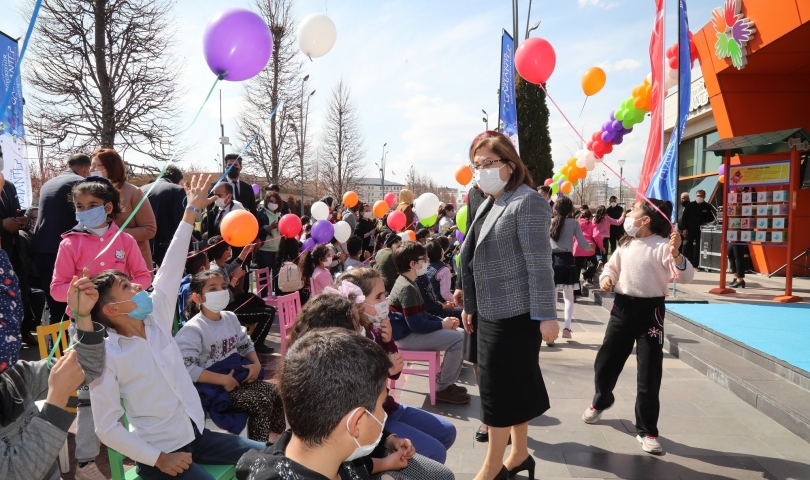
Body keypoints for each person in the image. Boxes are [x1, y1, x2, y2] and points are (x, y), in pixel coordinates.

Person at [86, 174, 266, 479]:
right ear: (113, 309)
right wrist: (157, 459)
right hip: (161, 452)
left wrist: (190, 214)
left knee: (269, 456)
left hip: (195, 434)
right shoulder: (108, 356)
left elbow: (170, 267)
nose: (139, 288)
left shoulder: (155, 317)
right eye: (127, 287)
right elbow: (106, 427)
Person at [457, 131, 557, 480]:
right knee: (511, 386)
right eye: (476, 164)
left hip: (516, 314)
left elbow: (539, 263)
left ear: (509, 165)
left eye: (488, 163)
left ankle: (491, 468)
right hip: (488, 309)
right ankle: (519, 454)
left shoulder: (527, 202)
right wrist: (468, 300)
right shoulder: (488, 200)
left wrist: (546, 316)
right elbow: (471, 256)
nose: (481, 170)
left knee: (498, 391)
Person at [50, 175, 152, 479]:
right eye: (80, 206)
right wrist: (77, 290)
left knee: (131, 386)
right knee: (90, 397)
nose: (84, 210)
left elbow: (144, 277)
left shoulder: (125, 240)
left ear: (108, 207)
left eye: (92, 205)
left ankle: (137, 448)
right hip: (85, 328)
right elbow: (56, 288)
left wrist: (127, 295)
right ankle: (85, 462)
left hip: (121, 325)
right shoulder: (70, 243)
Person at [584, 199, 694, 455]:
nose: (627, 214)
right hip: (622, 309)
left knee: (649, 374)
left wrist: (677, 254)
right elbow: (611, 267)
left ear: (645, 220)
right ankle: (601, 400)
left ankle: (647, 430)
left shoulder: (662, 247)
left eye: (633, 210)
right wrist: (607, 278)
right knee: (606, 361)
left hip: (651, 314)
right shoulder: (625, 244)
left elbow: (686, 276)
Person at [0, 248, 106, 480]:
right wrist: (56, 399)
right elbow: (14, 473)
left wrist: (82, 316)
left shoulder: (14, 376)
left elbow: (86, 368)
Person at [235, 329, 395, 480]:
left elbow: (352, 469)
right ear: (356, 422)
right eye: (382, 404)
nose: (383, 414)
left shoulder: (300, 450)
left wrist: (387, 463)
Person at [336, 268, 458, 466]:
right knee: (435, 453)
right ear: (356, 302)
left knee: (447, 431)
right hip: (371, 418)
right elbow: (353, 393)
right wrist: (385, 369)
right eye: (379, 296)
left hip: (389, 408)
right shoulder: (347, 340)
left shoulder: (373, 330)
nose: (386, 300)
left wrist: (389, 340)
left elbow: (396, 372)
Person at [176, 270, 285, 442]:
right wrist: (223, 380)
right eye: (213, 289)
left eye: (223, 287)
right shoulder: (193, 329)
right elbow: (187, 368)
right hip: (212, 388)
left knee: (276, 392)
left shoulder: (230, 318)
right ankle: (257, 452)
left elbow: (244, 344)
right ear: (198, 298)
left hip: (236, 378)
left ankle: (275, 440)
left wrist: (256, 364)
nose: (220, 291)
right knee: (259, 402)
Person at [388, 241, 469, 404]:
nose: (426, 261)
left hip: (410, 333)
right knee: (460, 339)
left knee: (461, 334)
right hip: (407, 337)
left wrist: (444, 322)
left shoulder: (409, 282)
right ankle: (443, 387)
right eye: (423, 259)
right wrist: (442, 325)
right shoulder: (407, 288)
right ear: (413, 264)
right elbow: (416, 325)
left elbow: (422, 314)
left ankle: (445, 382)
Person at [32, 152, 91, 325]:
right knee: (71, 306)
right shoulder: (79, 183)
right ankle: (69, 349)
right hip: (64, 250)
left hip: (41, 248)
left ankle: (56, 348)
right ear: (86, 169)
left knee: (55, 306)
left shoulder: (48, 184)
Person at [91, 147, 157, 271]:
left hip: (131, 264)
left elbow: (150, 229)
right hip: (102, 265)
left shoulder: (134, 193)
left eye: (95, 165)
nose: (90, 170)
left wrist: (115, 234)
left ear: (109, 167)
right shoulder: (92, 193)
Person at [206, 237, 274, 354]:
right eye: (229, 248)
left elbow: (233, 265)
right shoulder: (215, 271)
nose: (231, 249)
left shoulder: (220, 265)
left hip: (233, 304)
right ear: (225, 253)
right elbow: (223, 296)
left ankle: (254, 344)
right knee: (268, 313)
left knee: (269, 309)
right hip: (229, 310)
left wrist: (245, 250)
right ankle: (254, 346)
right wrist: (236, 278)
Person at [0, 166, 36, 346]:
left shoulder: (9, 186)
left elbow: (17, 212)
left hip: (14, 250)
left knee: (20, 290)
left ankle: (23, 331)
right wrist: (2, 224)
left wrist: (24, 221)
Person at [550, 196, 593, 342]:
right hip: (568, 261)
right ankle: (566, 328)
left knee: (552, 298)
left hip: (552, 261)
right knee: (569, 297)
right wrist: (590, 247)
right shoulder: (574, 223)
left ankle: (552, 331)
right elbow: (583, 243)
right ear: (570, 209)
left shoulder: (549, 222)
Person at [141, 164, 186, 266]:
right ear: (177, 179)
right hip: (168, 248)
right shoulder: (177, 190)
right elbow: (181, 221)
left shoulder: (141, 189)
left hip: (144, 246)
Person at [680, 189, 715, 267]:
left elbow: (711, 219)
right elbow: (684, 218)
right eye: (697, 196)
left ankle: (696, 265)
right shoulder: (690, 205)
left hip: (702, 231)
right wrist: (684, 228)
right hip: (690, 230)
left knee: (699, 248)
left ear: (704, 196)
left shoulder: (707, 206)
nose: (699, 197)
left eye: (701, 196)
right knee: (686, 245)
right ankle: (683, 263)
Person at [256, 191, 283, 279]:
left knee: (278, 279)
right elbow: (255, 232)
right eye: (271, 201)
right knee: (264, 279)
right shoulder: (260, 213)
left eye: (276, 202)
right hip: (264, 251)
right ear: (266, 201)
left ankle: (277, 293)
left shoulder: (280, 215)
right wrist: (268, 228)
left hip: (277, 250)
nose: (273, 204)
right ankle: (264, 294)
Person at [574, 209, 604, 287]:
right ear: (590, 217)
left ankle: (576, 291)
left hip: (577, 248)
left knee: (576, 270)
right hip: (589, 248)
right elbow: (596, 236)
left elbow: (572, 236)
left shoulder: (576, 223)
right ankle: (587, 275)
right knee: (594, 263)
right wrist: (602, 247)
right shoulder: (591, 225)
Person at [178, 251, 209, 325]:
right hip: (194, 324)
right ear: (202, 268)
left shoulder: (192, 281)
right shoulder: (189, 289)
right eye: (208, 261)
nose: (210, 264)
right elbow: (188, 314)